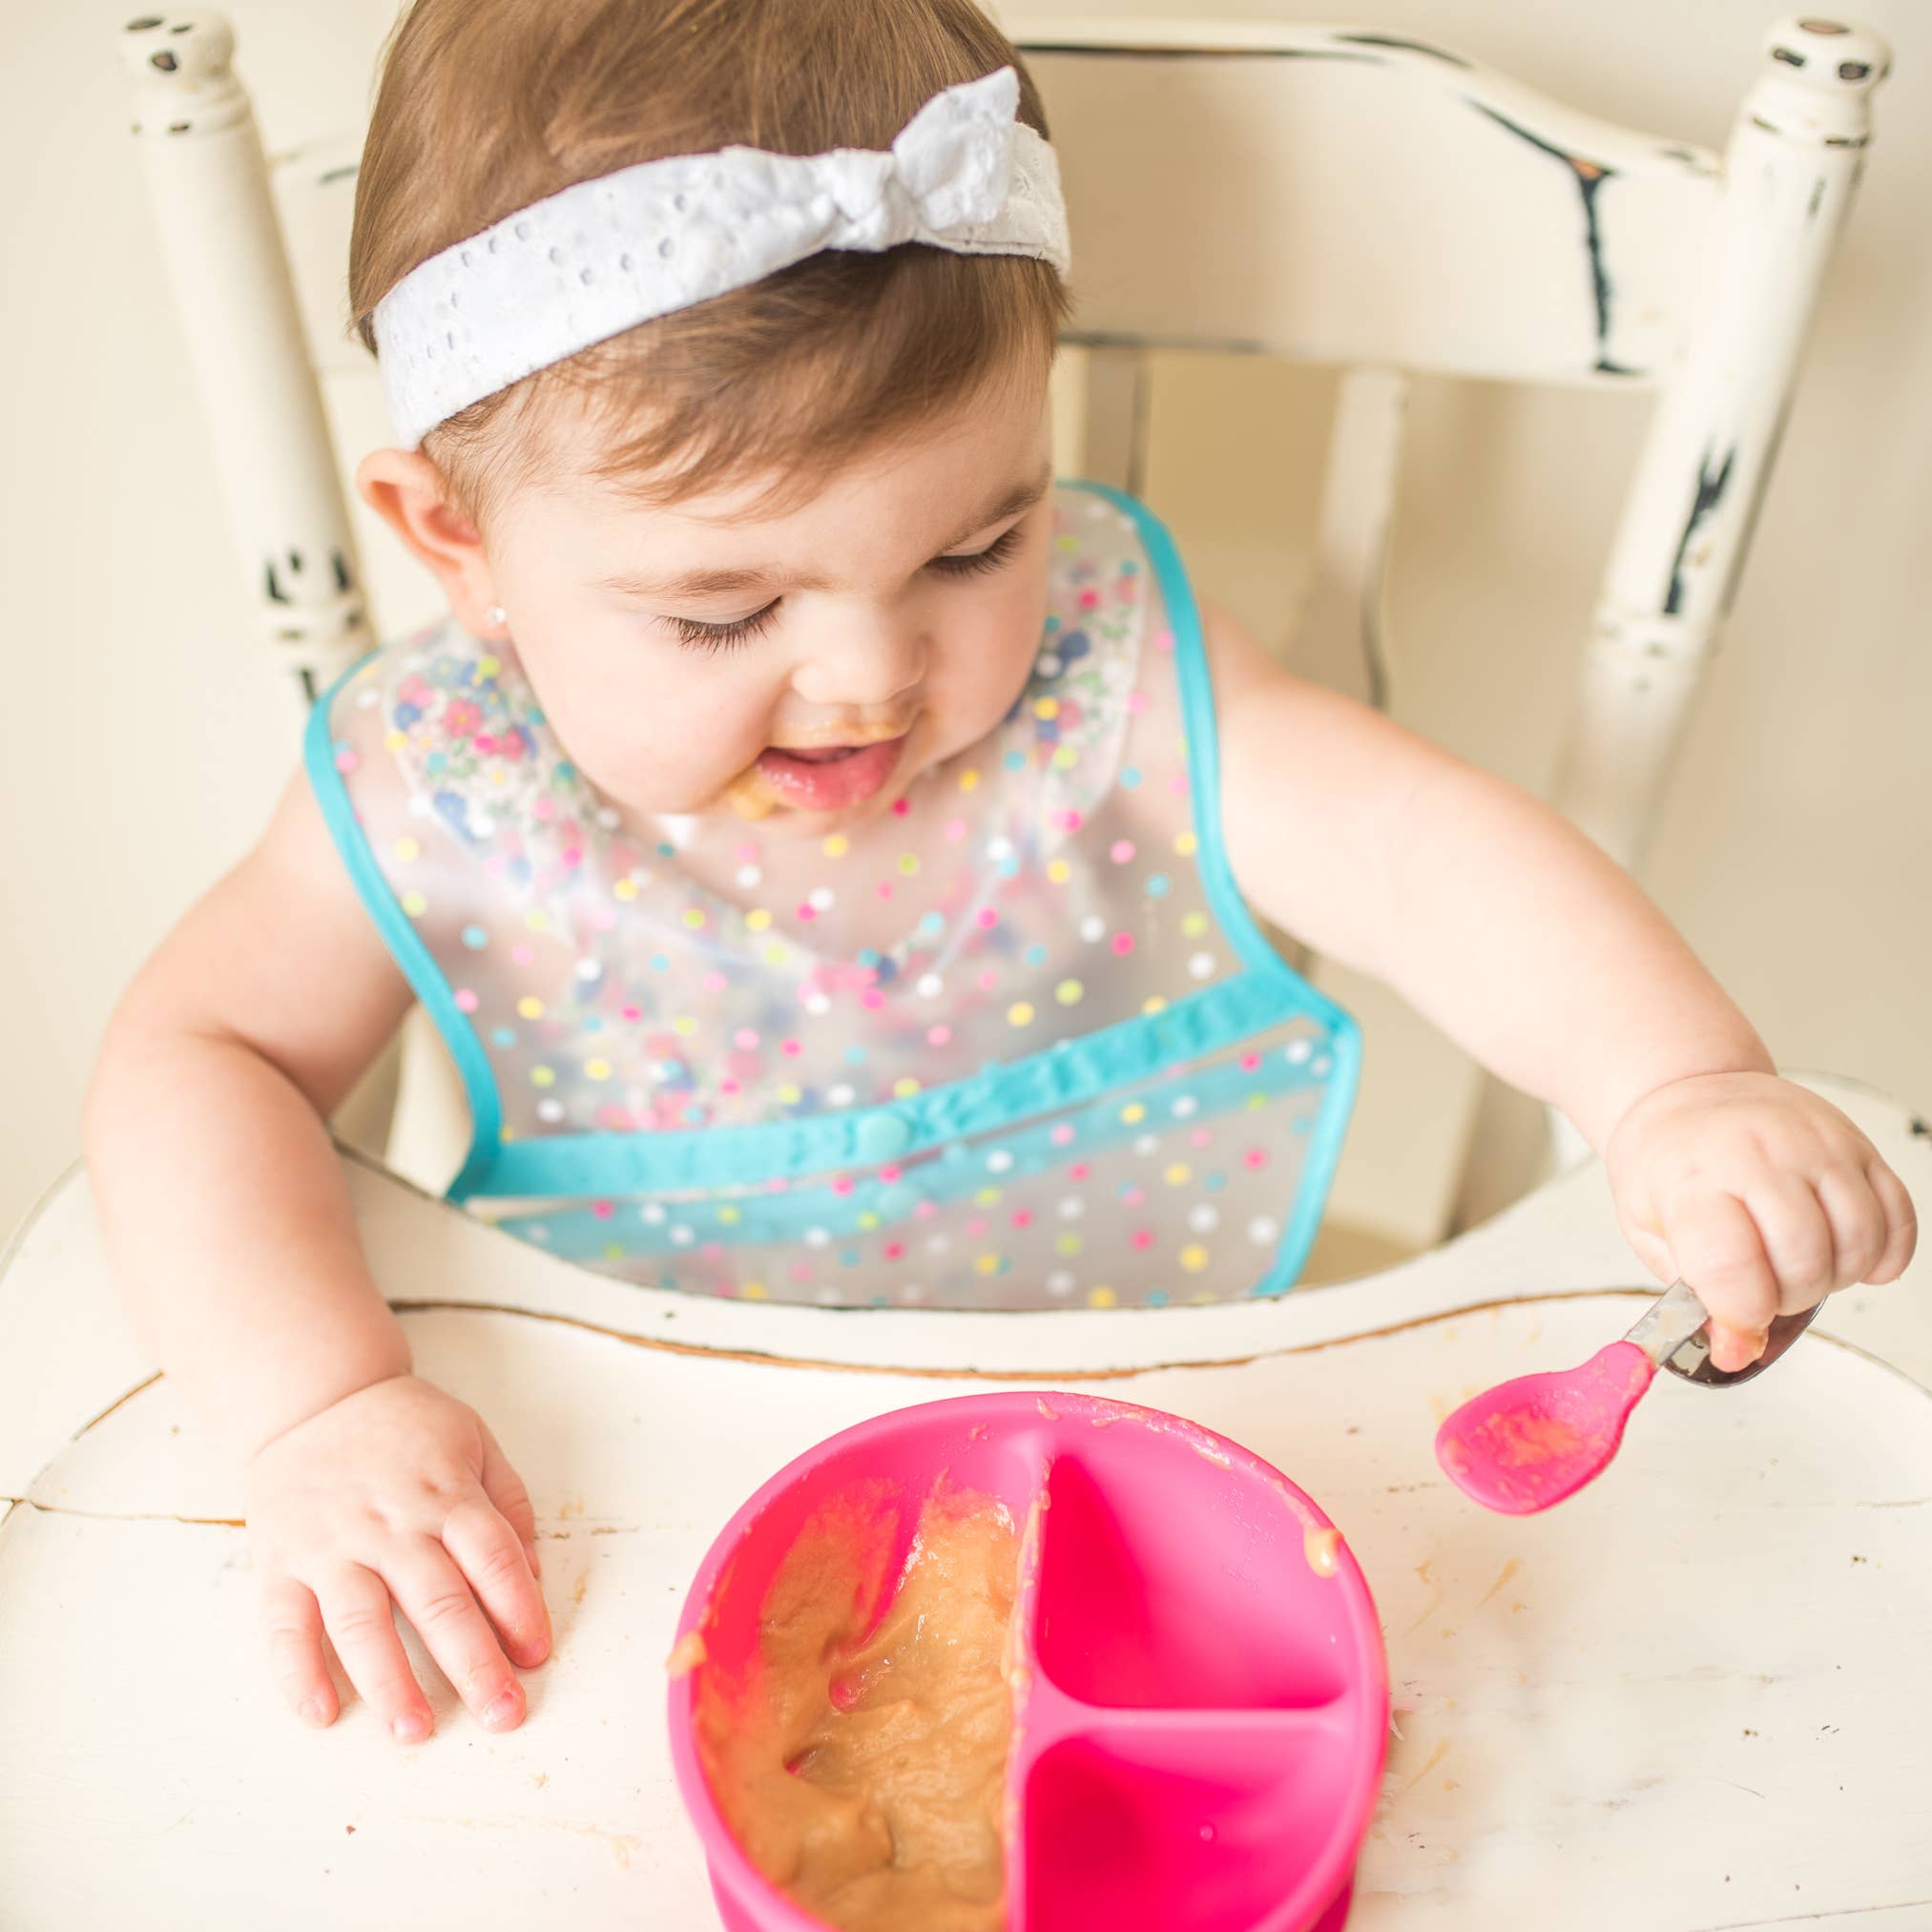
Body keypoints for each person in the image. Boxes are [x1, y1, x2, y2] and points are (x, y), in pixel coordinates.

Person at [84, 0, 1916, 1747]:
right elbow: (198, 1057)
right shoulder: (441, 778)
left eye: (974, 545)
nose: (870, 673)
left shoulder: (1101, 667)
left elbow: (1426, 860)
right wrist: (316, 1404)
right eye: (723, 610)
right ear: (456, 541)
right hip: (624, 1508)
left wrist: (1671, 1082)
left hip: (1145, 1447)